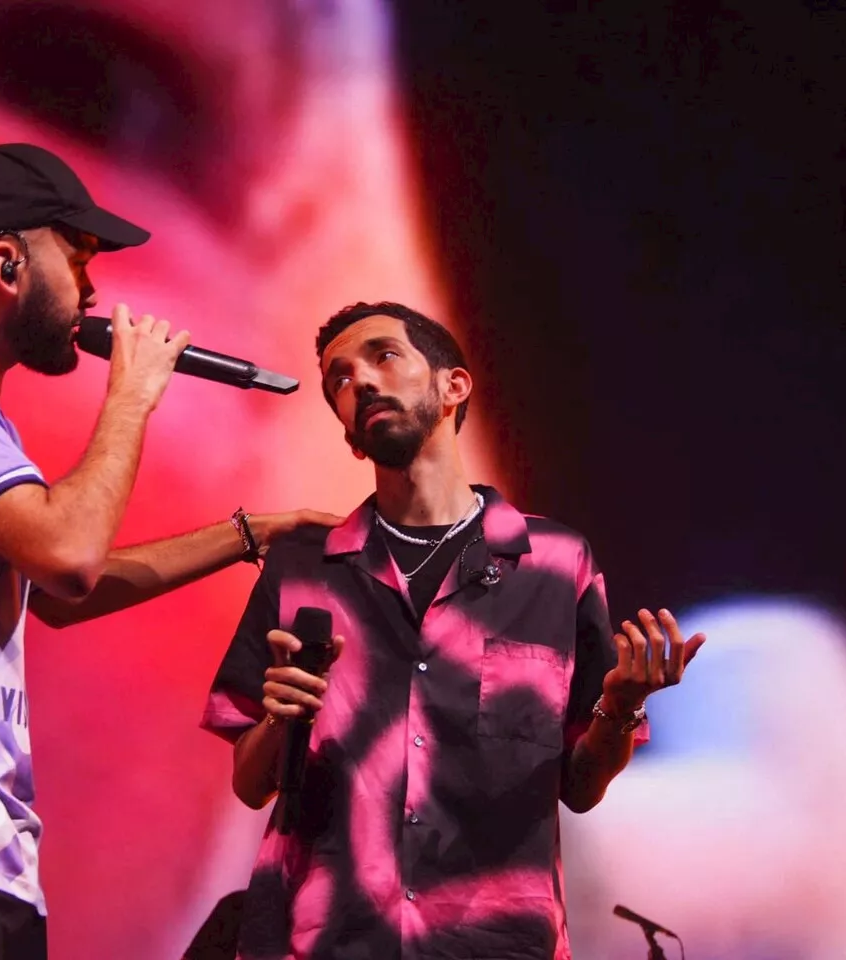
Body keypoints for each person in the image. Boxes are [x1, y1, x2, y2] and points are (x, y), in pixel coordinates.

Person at [0, 142, 340, 960]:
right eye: (77, 260)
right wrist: (133, 395)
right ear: (8, 263)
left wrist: (248, 533)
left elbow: (61, 590)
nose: (91, 292)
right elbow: (70, 553)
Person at [201, 301, 706, 959]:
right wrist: (280, 717)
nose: (361, 384)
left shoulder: (556, 564)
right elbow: (249, 782)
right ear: (351, 437)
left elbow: (580, 788)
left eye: (382, 356)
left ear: (453, 386)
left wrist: (622, 704)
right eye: (340, 381)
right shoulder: (303, 570)